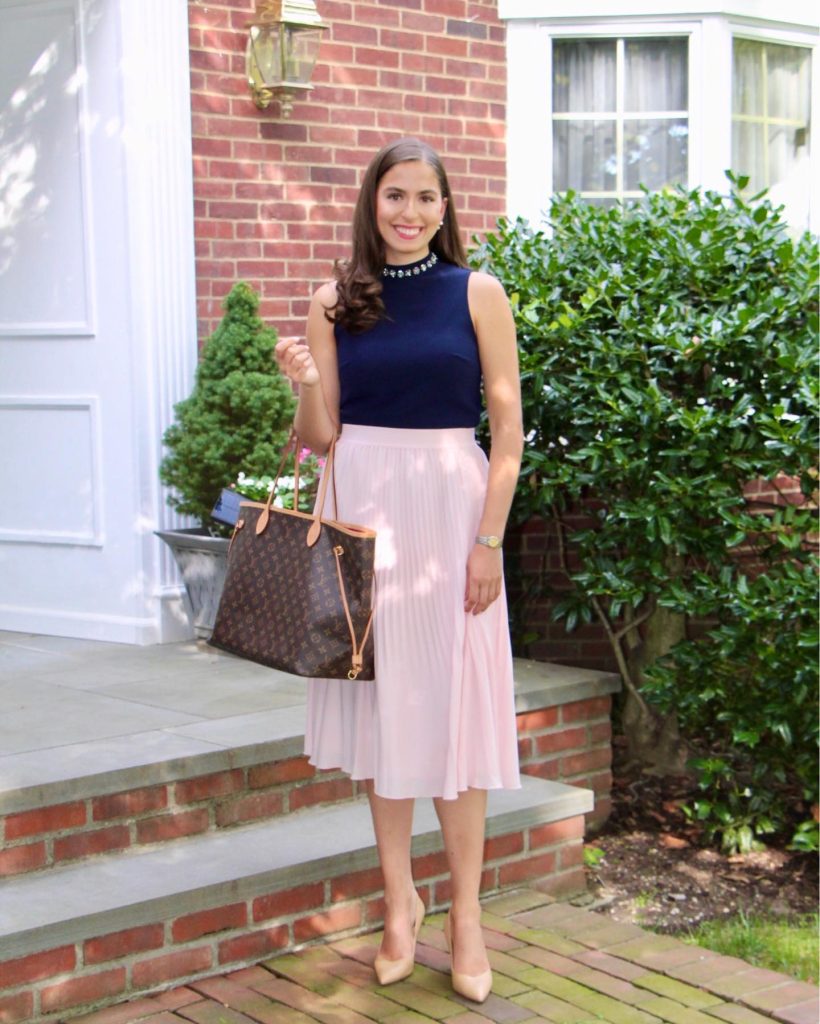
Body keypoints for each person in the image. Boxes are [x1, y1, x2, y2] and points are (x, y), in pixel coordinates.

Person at [274, 137, 523, 1004]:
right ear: (371, 203)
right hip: (361, 508)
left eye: (426, 198)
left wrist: (487, 539)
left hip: (450, 514)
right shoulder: (333, 300)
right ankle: (398, 906)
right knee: (382, 712)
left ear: (446, 210)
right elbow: (321, 436)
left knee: (453, 719)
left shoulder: (479, 293)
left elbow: (508, 430)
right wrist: (305, 381)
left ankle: (465, 916)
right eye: (395, 196)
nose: (409, 212)